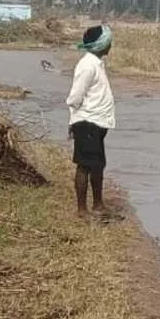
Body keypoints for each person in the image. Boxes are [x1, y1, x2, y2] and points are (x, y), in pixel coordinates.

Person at [66, 24, 115, 217]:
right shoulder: (87, 66)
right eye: (108, 42)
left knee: (97, 164)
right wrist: (75, 121)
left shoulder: (96, 63)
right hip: (87, 122)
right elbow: (75, 98)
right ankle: (82, 209)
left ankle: (98, 205)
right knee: (85, 165)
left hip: (97, 122)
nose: (110, 45)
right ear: (101, 45)